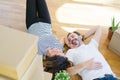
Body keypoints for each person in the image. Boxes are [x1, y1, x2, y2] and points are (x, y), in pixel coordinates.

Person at [26, 0, 102, 79]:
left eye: (57, 53)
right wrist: (70, 44)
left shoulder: (38, 53)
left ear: (52, 59)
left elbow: (38, 70)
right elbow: (63, 38)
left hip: (31, 23)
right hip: (46, 22)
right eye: (61, 52)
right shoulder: (59, 47)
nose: (58, 50)